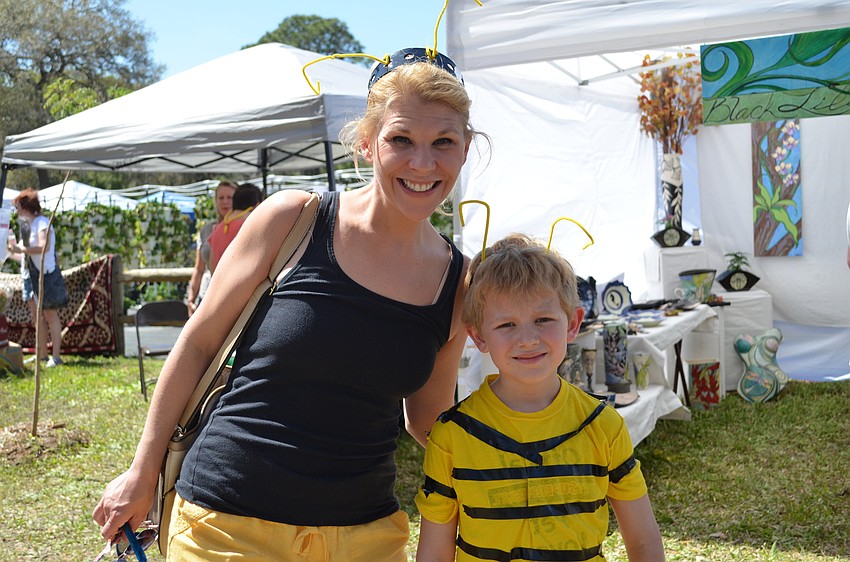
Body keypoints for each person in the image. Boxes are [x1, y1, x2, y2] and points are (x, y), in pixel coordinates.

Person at [93, 49, 476, 561]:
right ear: (366, 142)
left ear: (466, 148)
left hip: (365, 536)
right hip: (226, 526)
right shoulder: (294, 221)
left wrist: (524, 442)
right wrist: (142, 472)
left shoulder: (458, 280)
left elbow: (429, 420)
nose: (423, 163)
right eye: (400, 139)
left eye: (443, 142)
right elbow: (199, 340)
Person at [415, 233, 666, 562]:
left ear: (573, 324)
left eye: (543, 319)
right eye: (507, 324)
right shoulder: (452, 435)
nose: (528, 339)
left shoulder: (604, 427)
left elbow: (645, 542)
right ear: (478, 336)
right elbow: (434, 552)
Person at [7, 189, 69, 367]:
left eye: (18, 206)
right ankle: (41, 354)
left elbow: (43, 247)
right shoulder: (26, 225)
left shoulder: (42, 223)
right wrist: (10, 252)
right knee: (37, 317)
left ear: (25, 206)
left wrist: (21, 250)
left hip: (46, 274)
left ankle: (56, 357)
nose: (16, 210)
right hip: (29, 275)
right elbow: (24, 255)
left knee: (50, 315)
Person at [186, 181, 235, 317]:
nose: (225, 202)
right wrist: (191, 299)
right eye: (221, 198)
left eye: (229, 197)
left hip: (231, 296)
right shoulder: (206, 230)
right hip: (206, 295)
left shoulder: (245, 227)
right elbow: (199, 268)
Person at [206, 182, 263, 273]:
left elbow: (212, 268)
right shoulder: (249, 228)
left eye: (229, 197)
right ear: (257, 205)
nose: (225, 201)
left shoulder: (217, 229)